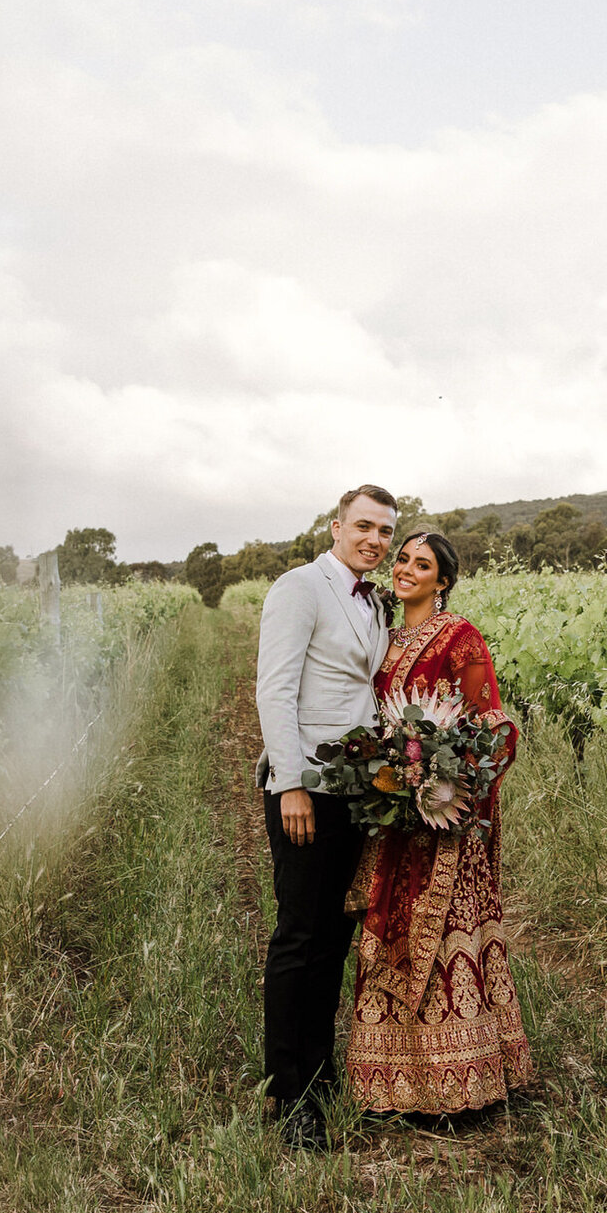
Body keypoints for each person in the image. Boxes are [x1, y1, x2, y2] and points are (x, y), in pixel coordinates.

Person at [344, 531, 535, 1118]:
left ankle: (463, 1077)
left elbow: (494, 727)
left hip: (446, 818)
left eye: (420, 564)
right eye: (402, 559)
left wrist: (447, 786)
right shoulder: (385, 638)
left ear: (443, 581)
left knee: (448, 931)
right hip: (392, 817)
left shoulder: (460, 638)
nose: (404, 569)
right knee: (386, 924)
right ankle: (386, 1081)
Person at [254, 483, 397, 1151]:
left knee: (335, 936)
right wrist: (290, 784)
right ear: (336, 526)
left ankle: (319, 1070)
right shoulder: (299, 587)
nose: (374, 539)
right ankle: (288, 1092)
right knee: (299, 934)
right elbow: (275, 687)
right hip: (306, 784)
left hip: (356, 790)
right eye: (364, 525)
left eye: (385, 531)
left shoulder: (374, 604)